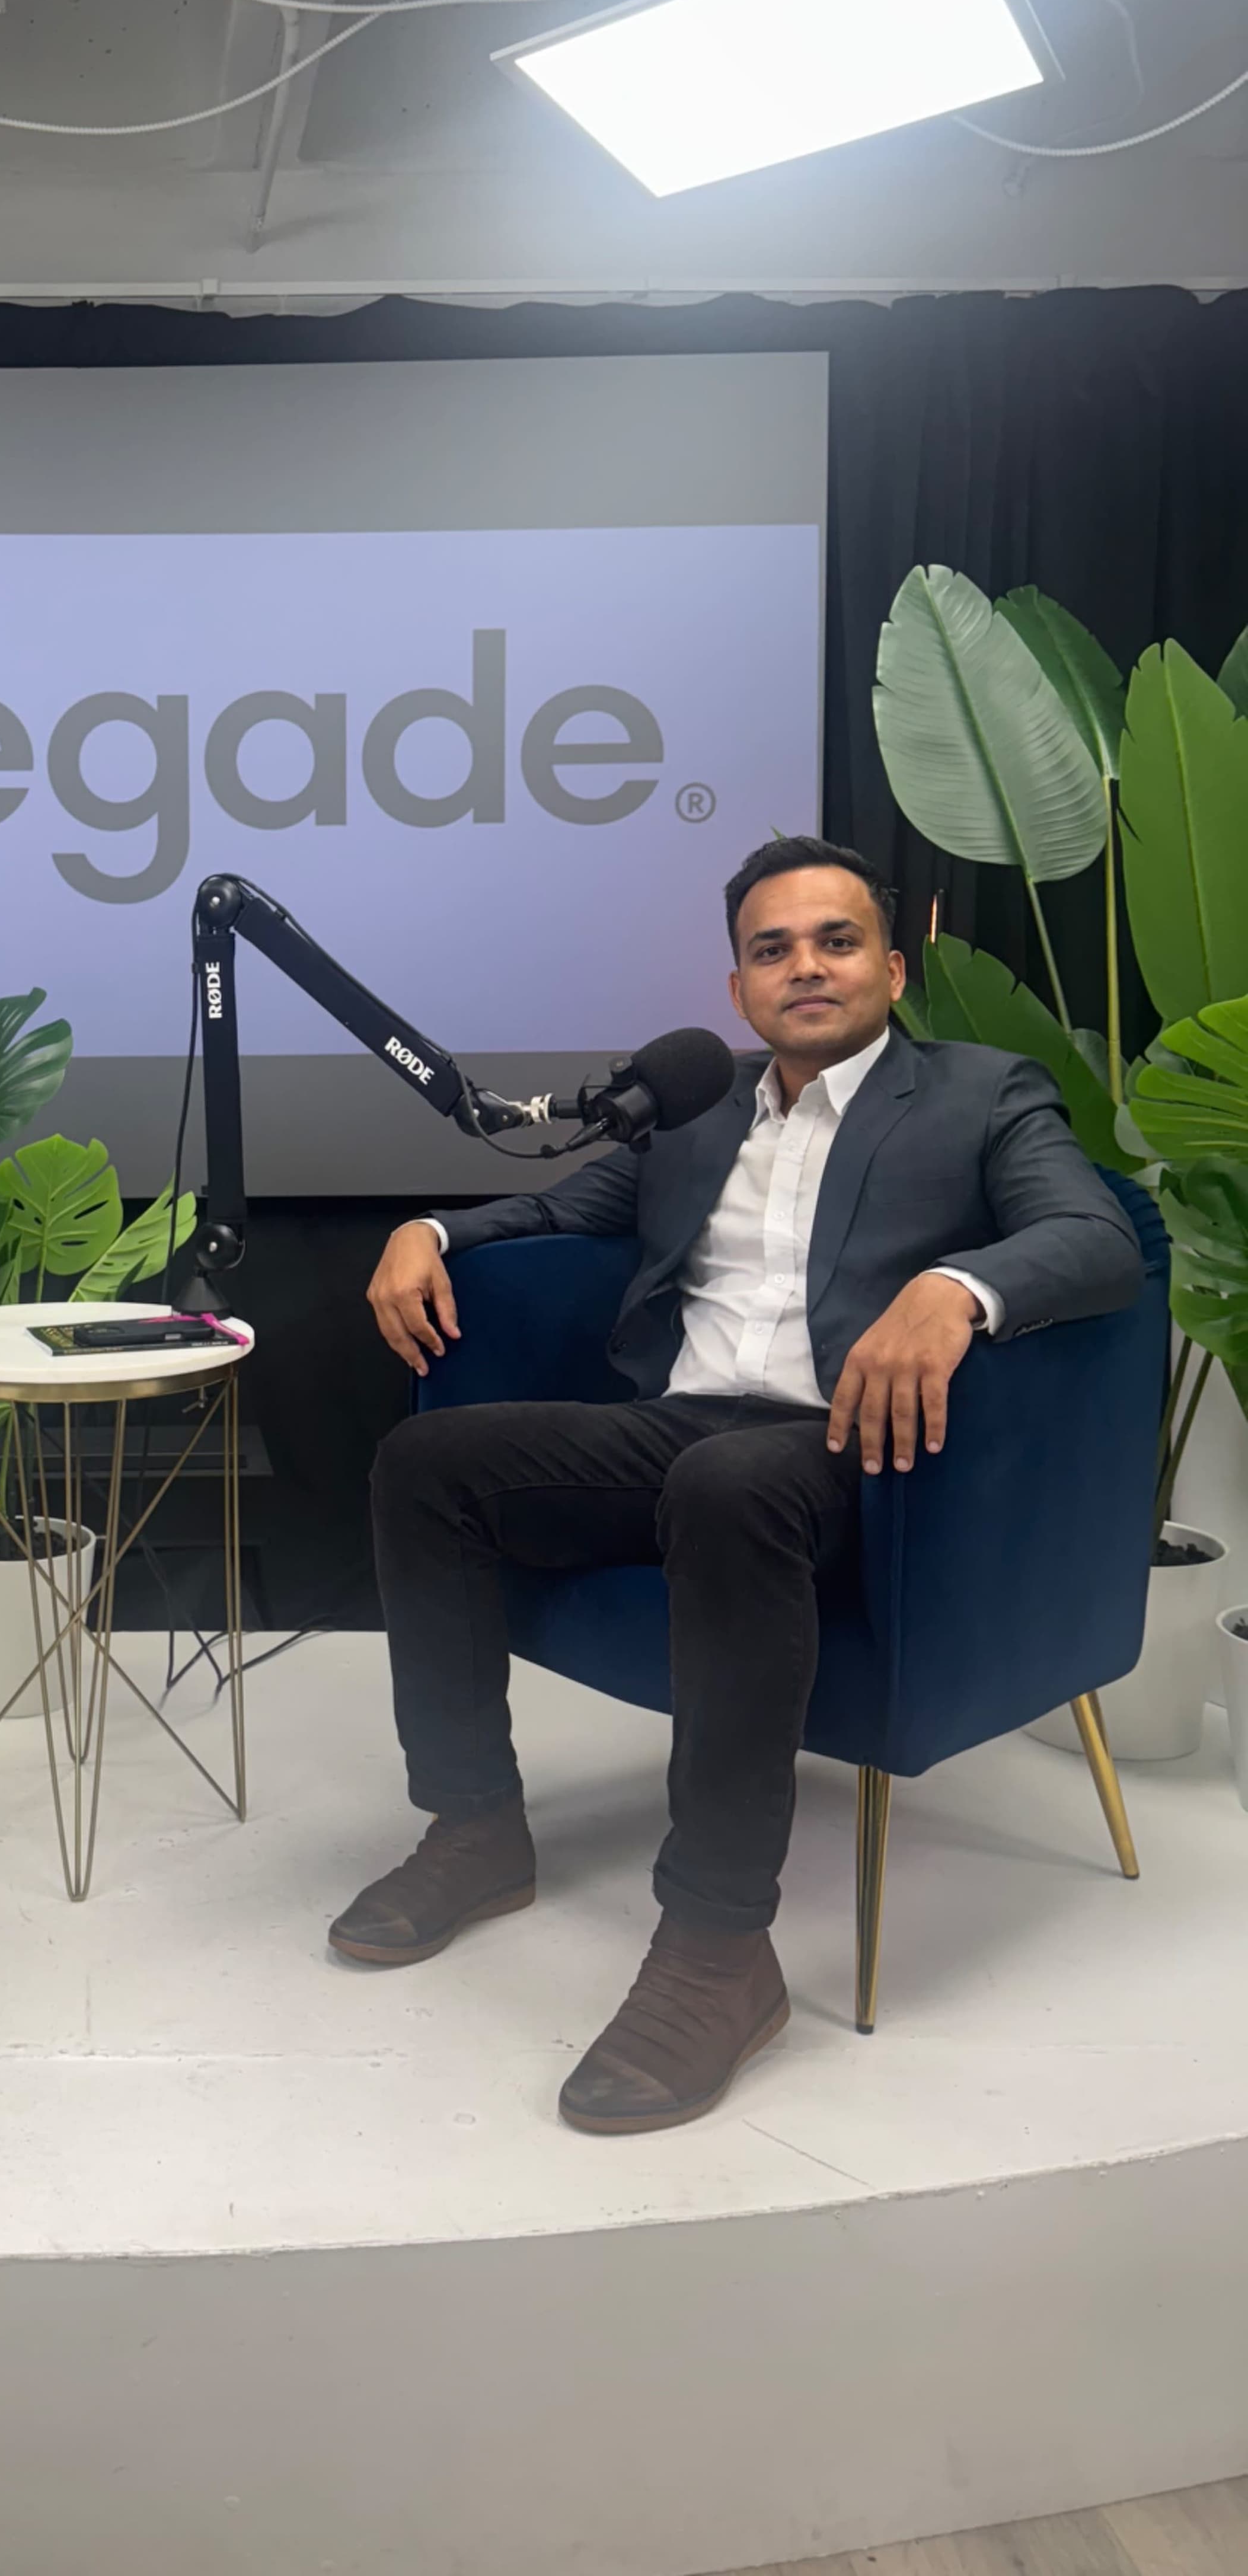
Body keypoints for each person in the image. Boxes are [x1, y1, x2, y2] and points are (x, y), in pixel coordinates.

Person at [343, 835, 1141, 2134]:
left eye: (836, 941)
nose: (805, 967)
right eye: (773, 950)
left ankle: (719, 1950)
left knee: (728, 1486)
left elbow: (1097, 1237)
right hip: (684, 1425)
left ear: (893, 967)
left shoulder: (981, 1093)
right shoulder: (699, 1118)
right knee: (428, 1466)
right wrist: (425, 1230)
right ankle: (474, 1828)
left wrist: (956, 1288)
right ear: (738, 988)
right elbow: (554, 1214)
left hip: (859, 1454)